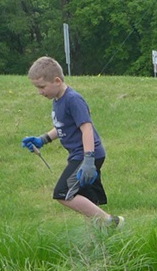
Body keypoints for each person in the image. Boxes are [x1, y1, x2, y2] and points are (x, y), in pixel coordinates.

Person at [20, 57, 119, 227]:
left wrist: (88, 160)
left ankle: (111, 222)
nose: (40, 92)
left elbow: (86, 128)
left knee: (62, 193)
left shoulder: (73, 99)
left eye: (42, 87)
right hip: (81, 155)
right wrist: (42, 139)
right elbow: (62, 127)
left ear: (57, 81)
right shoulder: (58, 101)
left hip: (86, 155)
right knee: (88, 201)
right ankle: (95, 246)